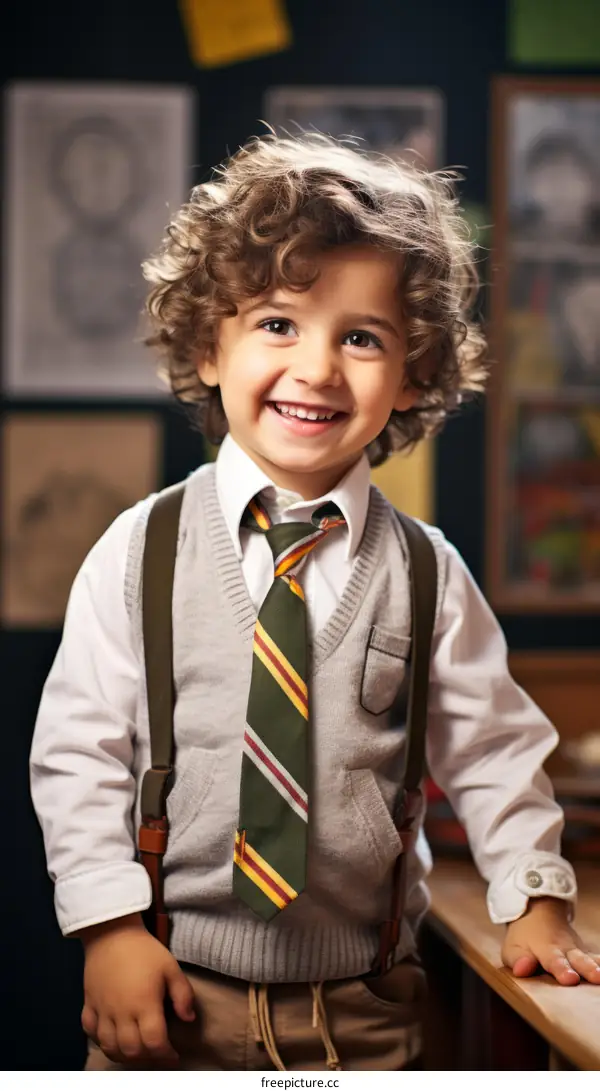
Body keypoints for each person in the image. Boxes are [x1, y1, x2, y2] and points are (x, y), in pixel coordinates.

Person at [30, 132, 600, 1073]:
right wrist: (106, 930)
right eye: (278, 324)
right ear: (210, 343)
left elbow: (496, 751)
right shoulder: (139, 552)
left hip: (364, 1008)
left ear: (414, 373)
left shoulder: (426, 572)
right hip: (165, 994)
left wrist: (534, 892)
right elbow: (78, 753)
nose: (318, 368)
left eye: (363, 337)